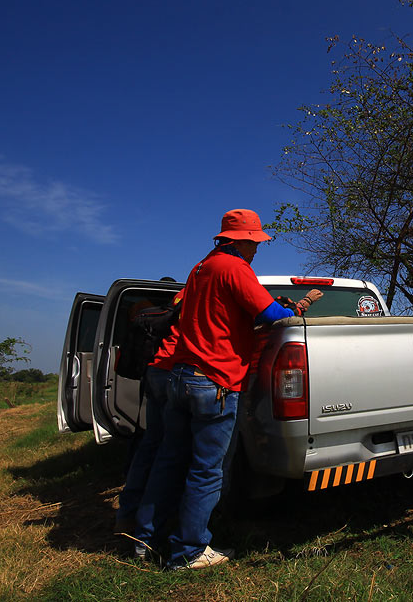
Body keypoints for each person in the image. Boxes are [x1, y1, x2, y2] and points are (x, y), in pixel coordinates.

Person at [133, 209, 322, 570]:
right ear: (238, 240)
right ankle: (189, 550)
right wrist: (289, 312)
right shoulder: (235, 268)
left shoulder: (201, 268)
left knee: (170, 460)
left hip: (181, 376)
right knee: (207, 469)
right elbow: (269, 316)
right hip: (214, 380)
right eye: (254, 243)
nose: (257, 249)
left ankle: (145, 539)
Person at [114, 287, 184, 535]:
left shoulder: (184, 292)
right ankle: (151, 529)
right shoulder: (211, 288)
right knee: (171, 451)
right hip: (176, 371)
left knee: (150, 444)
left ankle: (128, 514)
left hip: (156, 368)